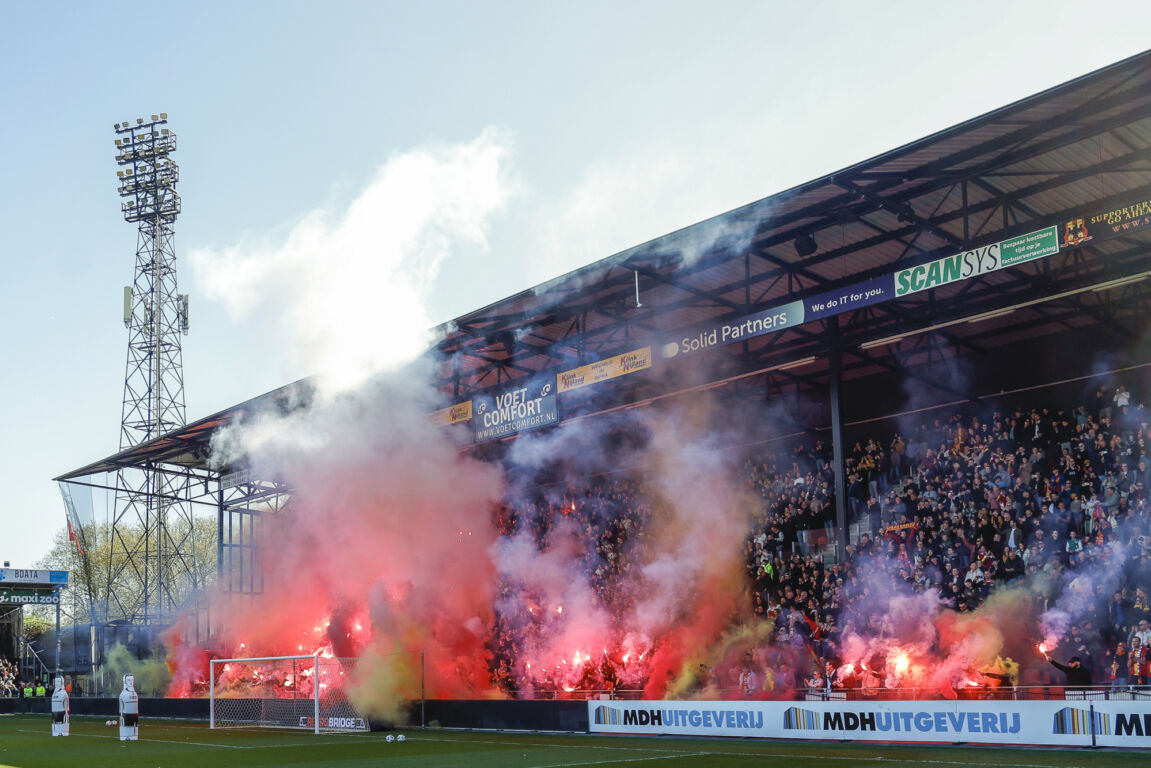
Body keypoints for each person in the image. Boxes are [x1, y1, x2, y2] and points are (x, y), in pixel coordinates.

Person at [119, 674, 139, 741]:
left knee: (135, 727)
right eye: (129, 680)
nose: (131, 681)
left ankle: (134, 736)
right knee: (126, 727)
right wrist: (121, 716)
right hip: (127, 714)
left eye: (132, 680)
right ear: (125, 681)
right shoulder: (123, 693)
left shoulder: (135, 693)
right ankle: (125, 736)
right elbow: (121, 707)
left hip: (135, 714)